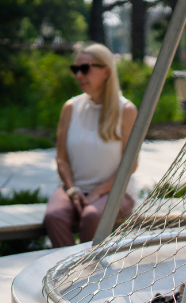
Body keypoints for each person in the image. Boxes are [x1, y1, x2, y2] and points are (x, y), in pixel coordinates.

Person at [44, 43, 138, 248]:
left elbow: (130, 165)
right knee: (54, 216)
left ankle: (89, 275)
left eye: (85, 68)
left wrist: (99, 191)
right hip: (75, 188)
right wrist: (71, 189)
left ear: (106, 71)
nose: (79, 75)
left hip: (115, 191)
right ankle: (67, 275)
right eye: (75, 69)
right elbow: (61, 158)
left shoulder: (126, 110)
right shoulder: (70, 108)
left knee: (92, 216)